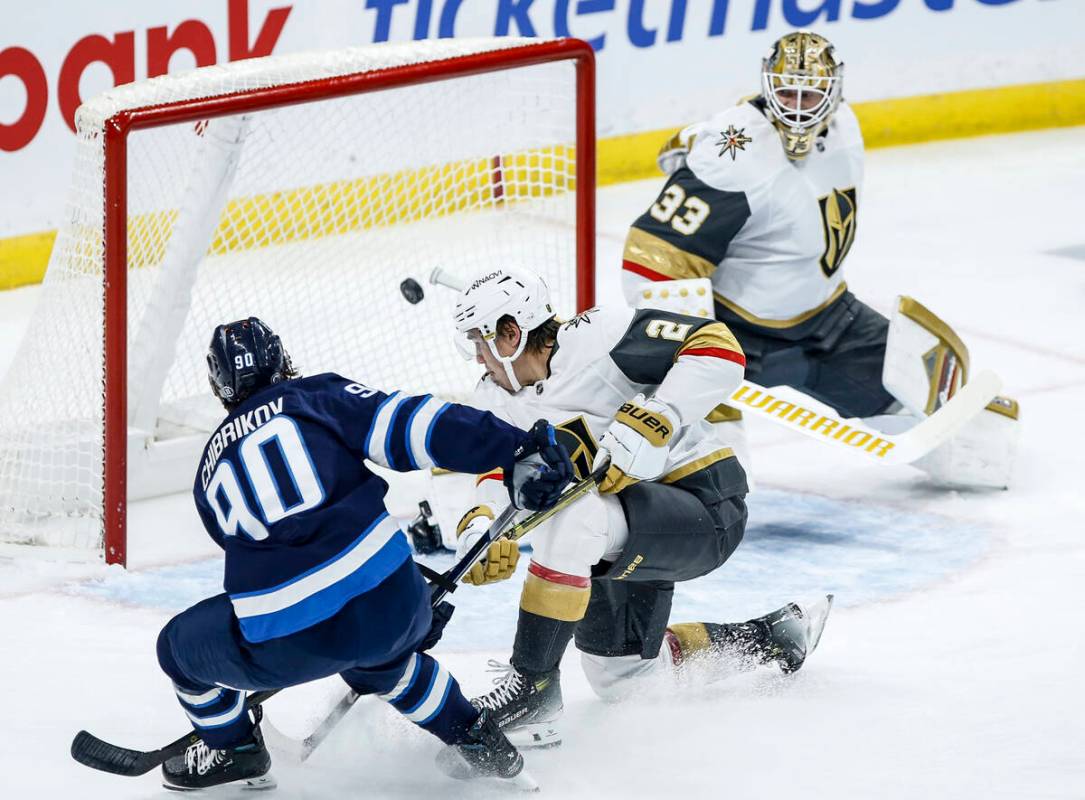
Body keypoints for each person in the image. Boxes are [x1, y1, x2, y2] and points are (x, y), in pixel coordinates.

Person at [154, 317, 574, 791]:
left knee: (176, 648)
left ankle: (234, 748)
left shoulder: (209, 470)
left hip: (289, 640)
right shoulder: (314, 397)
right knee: (384, 658)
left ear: (219, 386)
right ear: (282, 362)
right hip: (393, 605)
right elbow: (417, 426)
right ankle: (482, 742)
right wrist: (512, 446)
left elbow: (274, 555)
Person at [445, 267, 831, 748]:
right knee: (625, 682)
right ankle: (772, 636)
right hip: (616, 527)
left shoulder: (600, 337)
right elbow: (495, 474)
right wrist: (481, 529)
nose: (477, 358)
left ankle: (533, 688)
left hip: (704, 504)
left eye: (480, 342)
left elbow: (717, 346)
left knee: (570, 517)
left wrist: (662, 414)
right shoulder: (495, 399)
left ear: (511, 332)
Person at [621, 30, 1017, 488]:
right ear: (767, 85)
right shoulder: (731, 155)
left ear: (837, 90)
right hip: (738, 337)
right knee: (713, 494)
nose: (798, 106)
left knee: (980, 450)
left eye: (812, 94)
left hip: (832, 320)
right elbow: (653, 262)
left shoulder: (845, 124)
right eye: (787, 91)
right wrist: (698, 358)